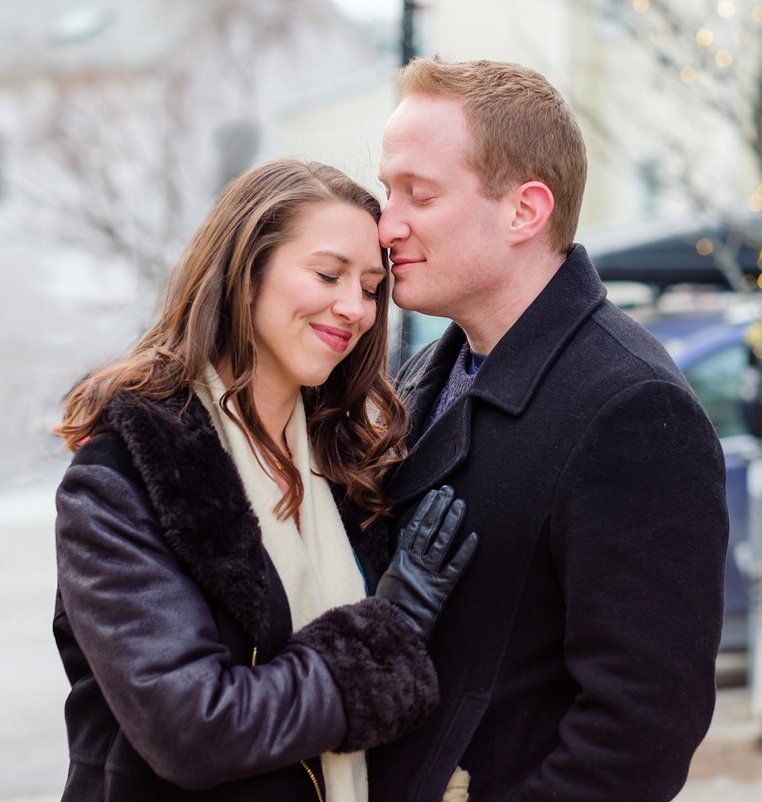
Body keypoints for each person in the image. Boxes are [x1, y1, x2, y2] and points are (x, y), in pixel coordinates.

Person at [51, 158, 476, 802]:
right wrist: (386, 631)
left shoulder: (351, 468)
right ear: (246, 273)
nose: (353, 308)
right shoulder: (123, 479)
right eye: (328, 274)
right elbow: (192, 728)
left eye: (369, 287)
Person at [369, 57, 730, 802]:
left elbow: (640, 734)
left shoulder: (633, 407)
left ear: (525, 211)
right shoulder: (422, 375)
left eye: (419, 194)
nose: (386, 225)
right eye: (386, 192)